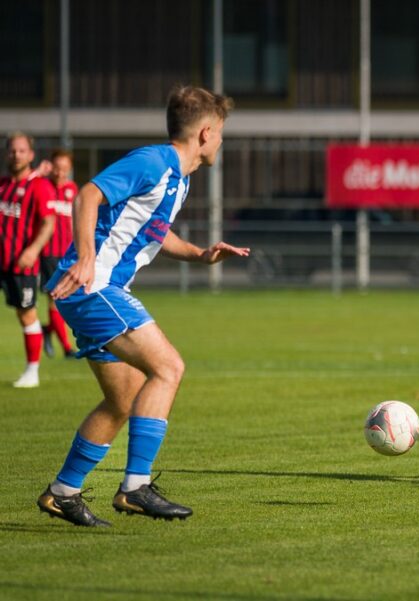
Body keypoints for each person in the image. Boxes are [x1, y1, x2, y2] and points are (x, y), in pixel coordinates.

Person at [37, 86, 248, 527]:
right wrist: (86, 256)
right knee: (169, 368)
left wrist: (200, 254)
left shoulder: (179, 178)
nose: (221, 141)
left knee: (124, 400)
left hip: (94, 288)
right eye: (221, 132)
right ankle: (135, 486)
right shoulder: (154, 162)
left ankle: (63, 492)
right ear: (206, 133)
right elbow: (87, 195)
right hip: (94, 286)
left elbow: (155, 231)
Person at [1, 132, 57, 388]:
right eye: (13, 150)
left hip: (21, 265)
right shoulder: (3, 185)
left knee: (26, 315)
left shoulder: (39, 186)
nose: (16, 155)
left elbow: (48, 223)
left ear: (31, 155)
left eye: (22, 151)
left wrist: (33, 250)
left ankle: (32, 372)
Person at [40, 148, 79, 358]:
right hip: (48, 253)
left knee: (69, 299)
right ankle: (66, 348)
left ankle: (48, 329)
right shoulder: (42, 186)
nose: (60, 173)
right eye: (56, 168)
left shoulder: (72, 189)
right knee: (55, 298)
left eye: (64, 169)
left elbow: (75, 221)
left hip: (69, 254)